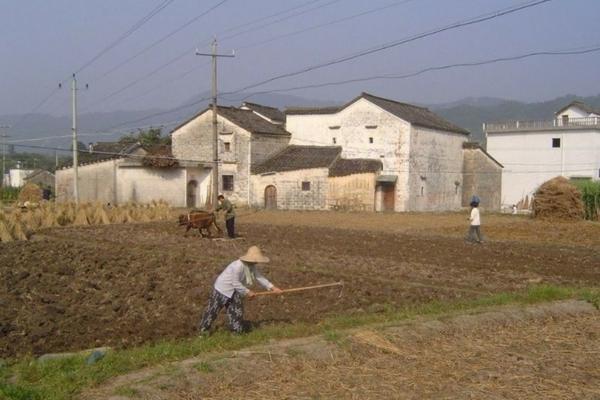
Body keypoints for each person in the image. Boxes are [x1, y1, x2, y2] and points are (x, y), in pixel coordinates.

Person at [198, 246, 283, 334]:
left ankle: (236, 332)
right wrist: (248, 292)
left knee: (237, 312)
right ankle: (203, 331)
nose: (257, 262)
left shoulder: (251, 266)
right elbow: (235, 282)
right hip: (222, 289)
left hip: (234, 291)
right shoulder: (237, 266)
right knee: (212, 311)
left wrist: (273, 288)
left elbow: (259, 277)